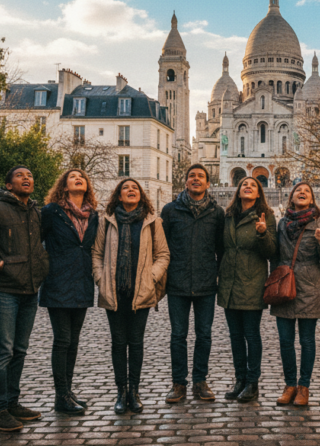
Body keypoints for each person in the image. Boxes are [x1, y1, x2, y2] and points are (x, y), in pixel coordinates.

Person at [0, 166, 48, 432]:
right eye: (20, 175)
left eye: (30, 175)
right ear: (8, 184)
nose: (27, 178)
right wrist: (0, 264)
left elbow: (40, 246)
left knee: (20, 349)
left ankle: (12, 402)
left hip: (30, 289)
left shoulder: (35, 212)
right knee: (4, 350)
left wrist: (42, 267)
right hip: (4, 288)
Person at [92, 178, 170, 414]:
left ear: (141, 195)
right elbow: (97, 254)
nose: (131, 190)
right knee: (118, 343)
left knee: (136, 343)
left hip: (141, 291)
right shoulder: (106, 221)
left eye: (135, 188)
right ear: (118, 195)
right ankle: (121, 391)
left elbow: (163, 255)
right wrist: (101, 278)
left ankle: (134, 391)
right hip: (114, 291)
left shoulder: (152, 222)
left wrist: (150, 278)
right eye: (126, 188)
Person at [160, 164, 225, 404]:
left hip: (206, 283)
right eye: (192, 176)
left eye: (200, 176)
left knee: (204, 335)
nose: (196, 179)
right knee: (178, 335)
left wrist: (215, 273)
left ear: (208, 183)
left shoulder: (217, 213)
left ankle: (200, 380)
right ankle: (179, 383)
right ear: (186, 182)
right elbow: (162, 247)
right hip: (177, 283)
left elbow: (221, 249)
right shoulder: (170, 211)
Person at [271, 183, 320, 407]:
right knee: (285, 341)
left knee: (307, 341)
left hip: (309, 286)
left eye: (306, 191)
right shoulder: (282, 223)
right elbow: (274, 253)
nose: (302, 193)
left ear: (312, 199)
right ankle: (290, 385)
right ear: (291, 197)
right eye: (298, 190)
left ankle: (304, 386)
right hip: (285, 286)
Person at [40, 169, 99, 415]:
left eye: (82, 177)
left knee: (73, 342)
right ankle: (60, 395)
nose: (78, 178)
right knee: (62, 340)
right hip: (58, 281)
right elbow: (38, 243)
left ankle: (68, 391)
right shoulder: (52, 212)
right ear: (64, 185)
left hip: (82, 282)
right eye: (72, 176)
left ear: (87, 186)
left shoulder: (93, 215)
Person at [218, 176, 277, 403]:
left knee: (251, 335)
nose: (248, 187)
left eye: (253, 185)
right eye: (244, 184)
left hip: (252, 282)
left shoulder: (266, 216)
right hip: (229, 283)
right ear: (238, 190)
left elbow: (271, 250)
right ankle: (240, 379)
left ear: (259, 192)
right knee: (235, 336)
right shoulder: (228, 216)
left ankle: (253, 382)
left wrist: (263, 232)